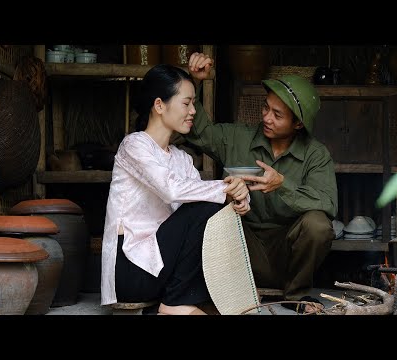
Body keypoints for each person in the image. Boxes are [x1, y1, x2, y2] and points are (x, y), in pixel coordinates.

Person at [185, 52, 338, 314]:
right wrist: (195, 83)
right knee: (207, 215)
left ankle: (296, 296)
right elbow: (200, 134)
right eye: (266, 108)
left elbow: (327, 204)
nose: (267, 117)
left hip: (289, 251)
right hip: (243, 244)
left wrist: (283, 184)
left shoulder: (316, 154)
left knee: (318, 225)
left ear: (298, 123)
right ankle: (228, 292)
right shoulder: (237, 138)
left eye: (277, 115)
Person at [100, 63, 251, 315]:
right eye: (187, 103)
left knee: (210, 206)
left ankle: (175, 301)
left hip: (161, 271)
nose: (193, 111)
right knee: (207, 203)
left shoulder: (182, 159)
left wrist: (238, 200)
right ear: (159, 105)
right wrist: (225, 190)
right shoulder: (134, 145)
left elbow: (201, 201)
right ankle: (175, 304)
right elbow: (171, 190)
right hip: (130, 270)